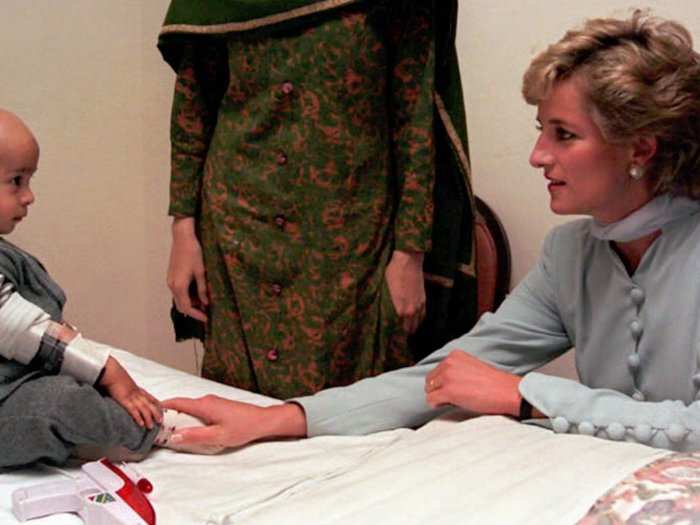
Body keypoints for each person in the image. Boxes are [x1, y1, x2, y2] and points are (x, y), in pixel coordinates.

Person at [164, 10, 700, 453]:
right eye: (542, 132)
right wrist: (275, 420)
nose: (539, 156)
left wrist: (526, 396)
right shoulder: (571, 255)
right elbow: (444, 376)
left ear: (641, 148)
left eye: (564, 135)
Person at [157, 0, 478, 398]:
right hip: (237, 233)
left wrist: (410, 254)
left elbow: (415, 123)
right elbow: (193, 107)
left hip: (350, 240)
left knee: (351, 416)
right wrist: (183, 231)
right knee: (238, 412)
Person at [0, 110, 213, 467]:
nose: (29, 196)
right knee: (63, 404)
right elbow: (24, 330)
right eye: (16, 181)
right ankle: (154, 430)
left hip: (17, 381)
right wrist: (107, 371)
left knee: (73, 389)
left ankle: (90, 427)